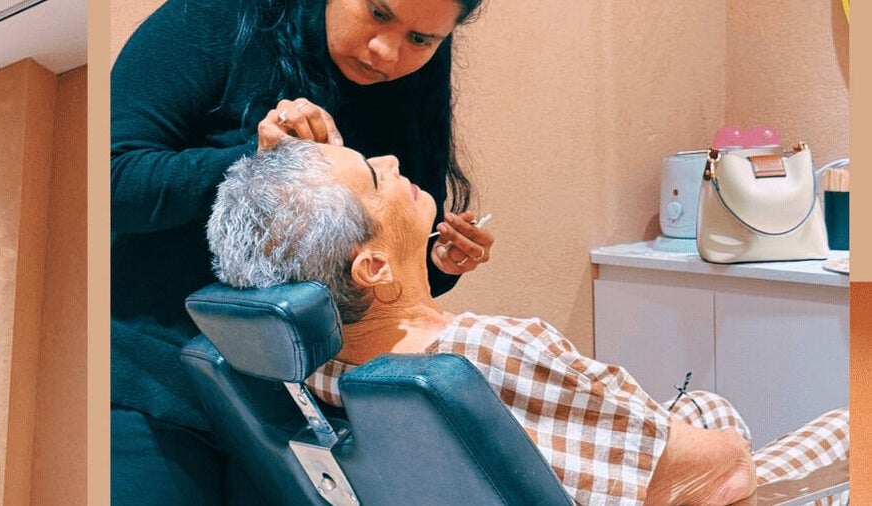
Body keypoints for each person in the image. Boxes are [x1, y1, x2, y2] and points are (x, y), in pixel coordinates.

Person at [206, 138, 850, 506]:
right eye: (376, 177)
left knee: (703, 408)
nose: (395, 164)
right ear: (372, 268)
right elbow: (728, 469)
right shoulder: (490, 353)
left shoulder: (313, 375)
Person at [111, 0, 495, 503]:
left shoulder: (413, 64)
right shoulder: (213, 18)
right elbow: (113, 183)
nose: (386, 52)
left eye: (421, 41)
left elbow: (384, 248)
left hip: (306, 405)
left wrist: (437, 260)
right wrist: (256, 162)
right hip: (157, 381)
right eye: (378, 13)